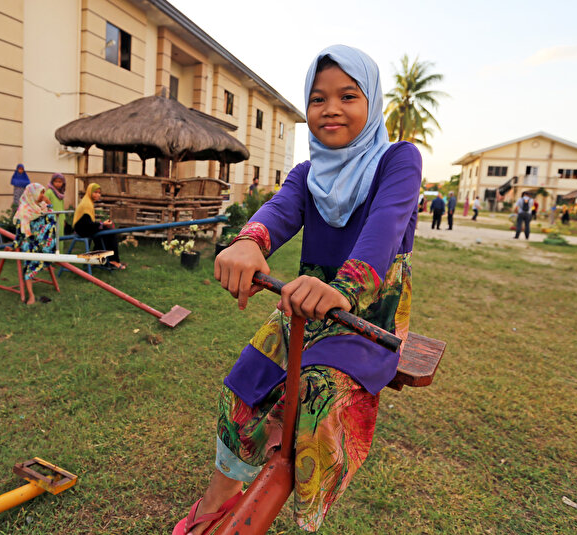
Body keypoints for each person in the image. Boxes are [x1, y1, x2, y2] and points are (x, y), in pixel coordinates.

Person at [173, 45, 421, 535]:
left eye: (348, 96)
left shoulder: (398, 161)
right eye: (318, 98)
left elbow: (385, 229)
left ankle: (304, 511)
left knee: (317, 395)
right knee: (242, 384)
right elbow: (281, 208)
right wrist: (248, 241)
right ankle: (218, 499)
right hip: (304, 310)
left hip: (366, 316)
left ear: (372, 104)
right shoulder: (309, 174)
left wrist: (345, 288)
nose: (331, 108)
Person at [12, 183, 57, 305]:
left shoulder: (42, 207)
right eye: (40, 193)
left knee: (50, 233)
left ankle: (46, 255)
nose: (43, 195)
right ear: (32, 194)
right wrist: (15, 244)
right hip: (31, 241)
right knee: (30, 260)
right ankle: (31, 294)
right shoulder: (24, 210)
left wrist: (49, 206)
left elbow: (52, 222)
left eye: (43, 192)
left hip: (44, 242)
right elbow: (19, 232)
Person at [72, 183, 126, 270]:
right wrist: (102, 224)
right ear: (90, 192)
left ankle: (96, 260)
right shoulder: (87, 204)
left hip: (83, 228)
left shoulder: (88, 202)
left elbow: (88, 222)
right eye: (95, 192)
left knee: (106, 233)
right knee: (110, 233)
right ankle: (113, 260)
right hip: (82, 229)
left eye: (99, 192)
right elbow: (86, 223)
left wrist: (101, 225)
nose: (98, 194)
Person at [45, 173, 67, 252]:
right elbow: (45, 206)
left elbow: (62, 207)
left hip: (60, 219)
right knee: (53, 238)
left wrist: (64, 219)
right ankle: (53, 258)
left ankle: (60, 258)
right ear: (52, 182)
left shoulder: (61, 194)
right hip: (52, 219)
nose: (58, 183)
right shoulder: (49, 192)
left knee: (60, 237)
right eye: (56, 181)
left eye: (60, 182)